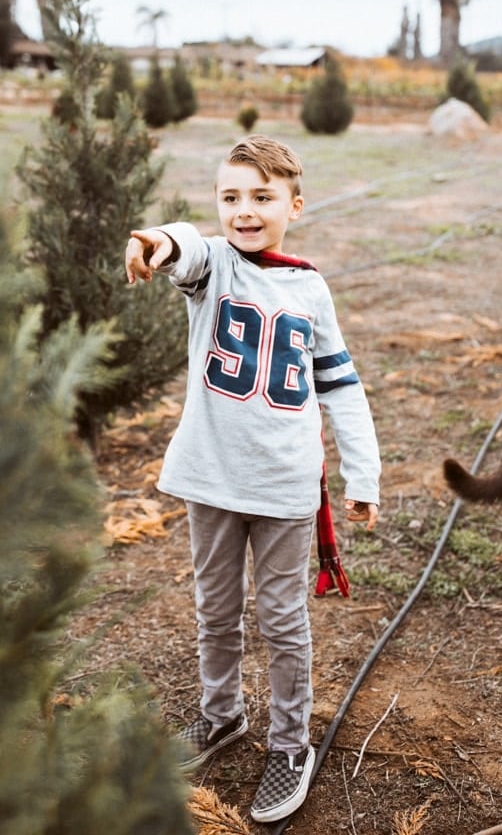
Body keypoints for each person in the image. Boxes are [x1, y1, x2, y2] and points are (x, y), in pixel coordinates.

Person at [124, 134, 380, 825]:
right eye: (230, 197)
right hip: (212, 480)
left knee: (282, 620)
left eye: (262, 198)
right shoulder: (213, 272)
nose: (244, 210)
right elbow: (188, 245)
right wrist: (157, 238)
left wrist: (364, 473)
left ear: (294, 205)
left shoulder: (310, 287)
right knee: (216, 610)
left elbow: (342, 386)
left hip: (284, 489)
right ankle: (221, 716)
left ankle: (290, 744)